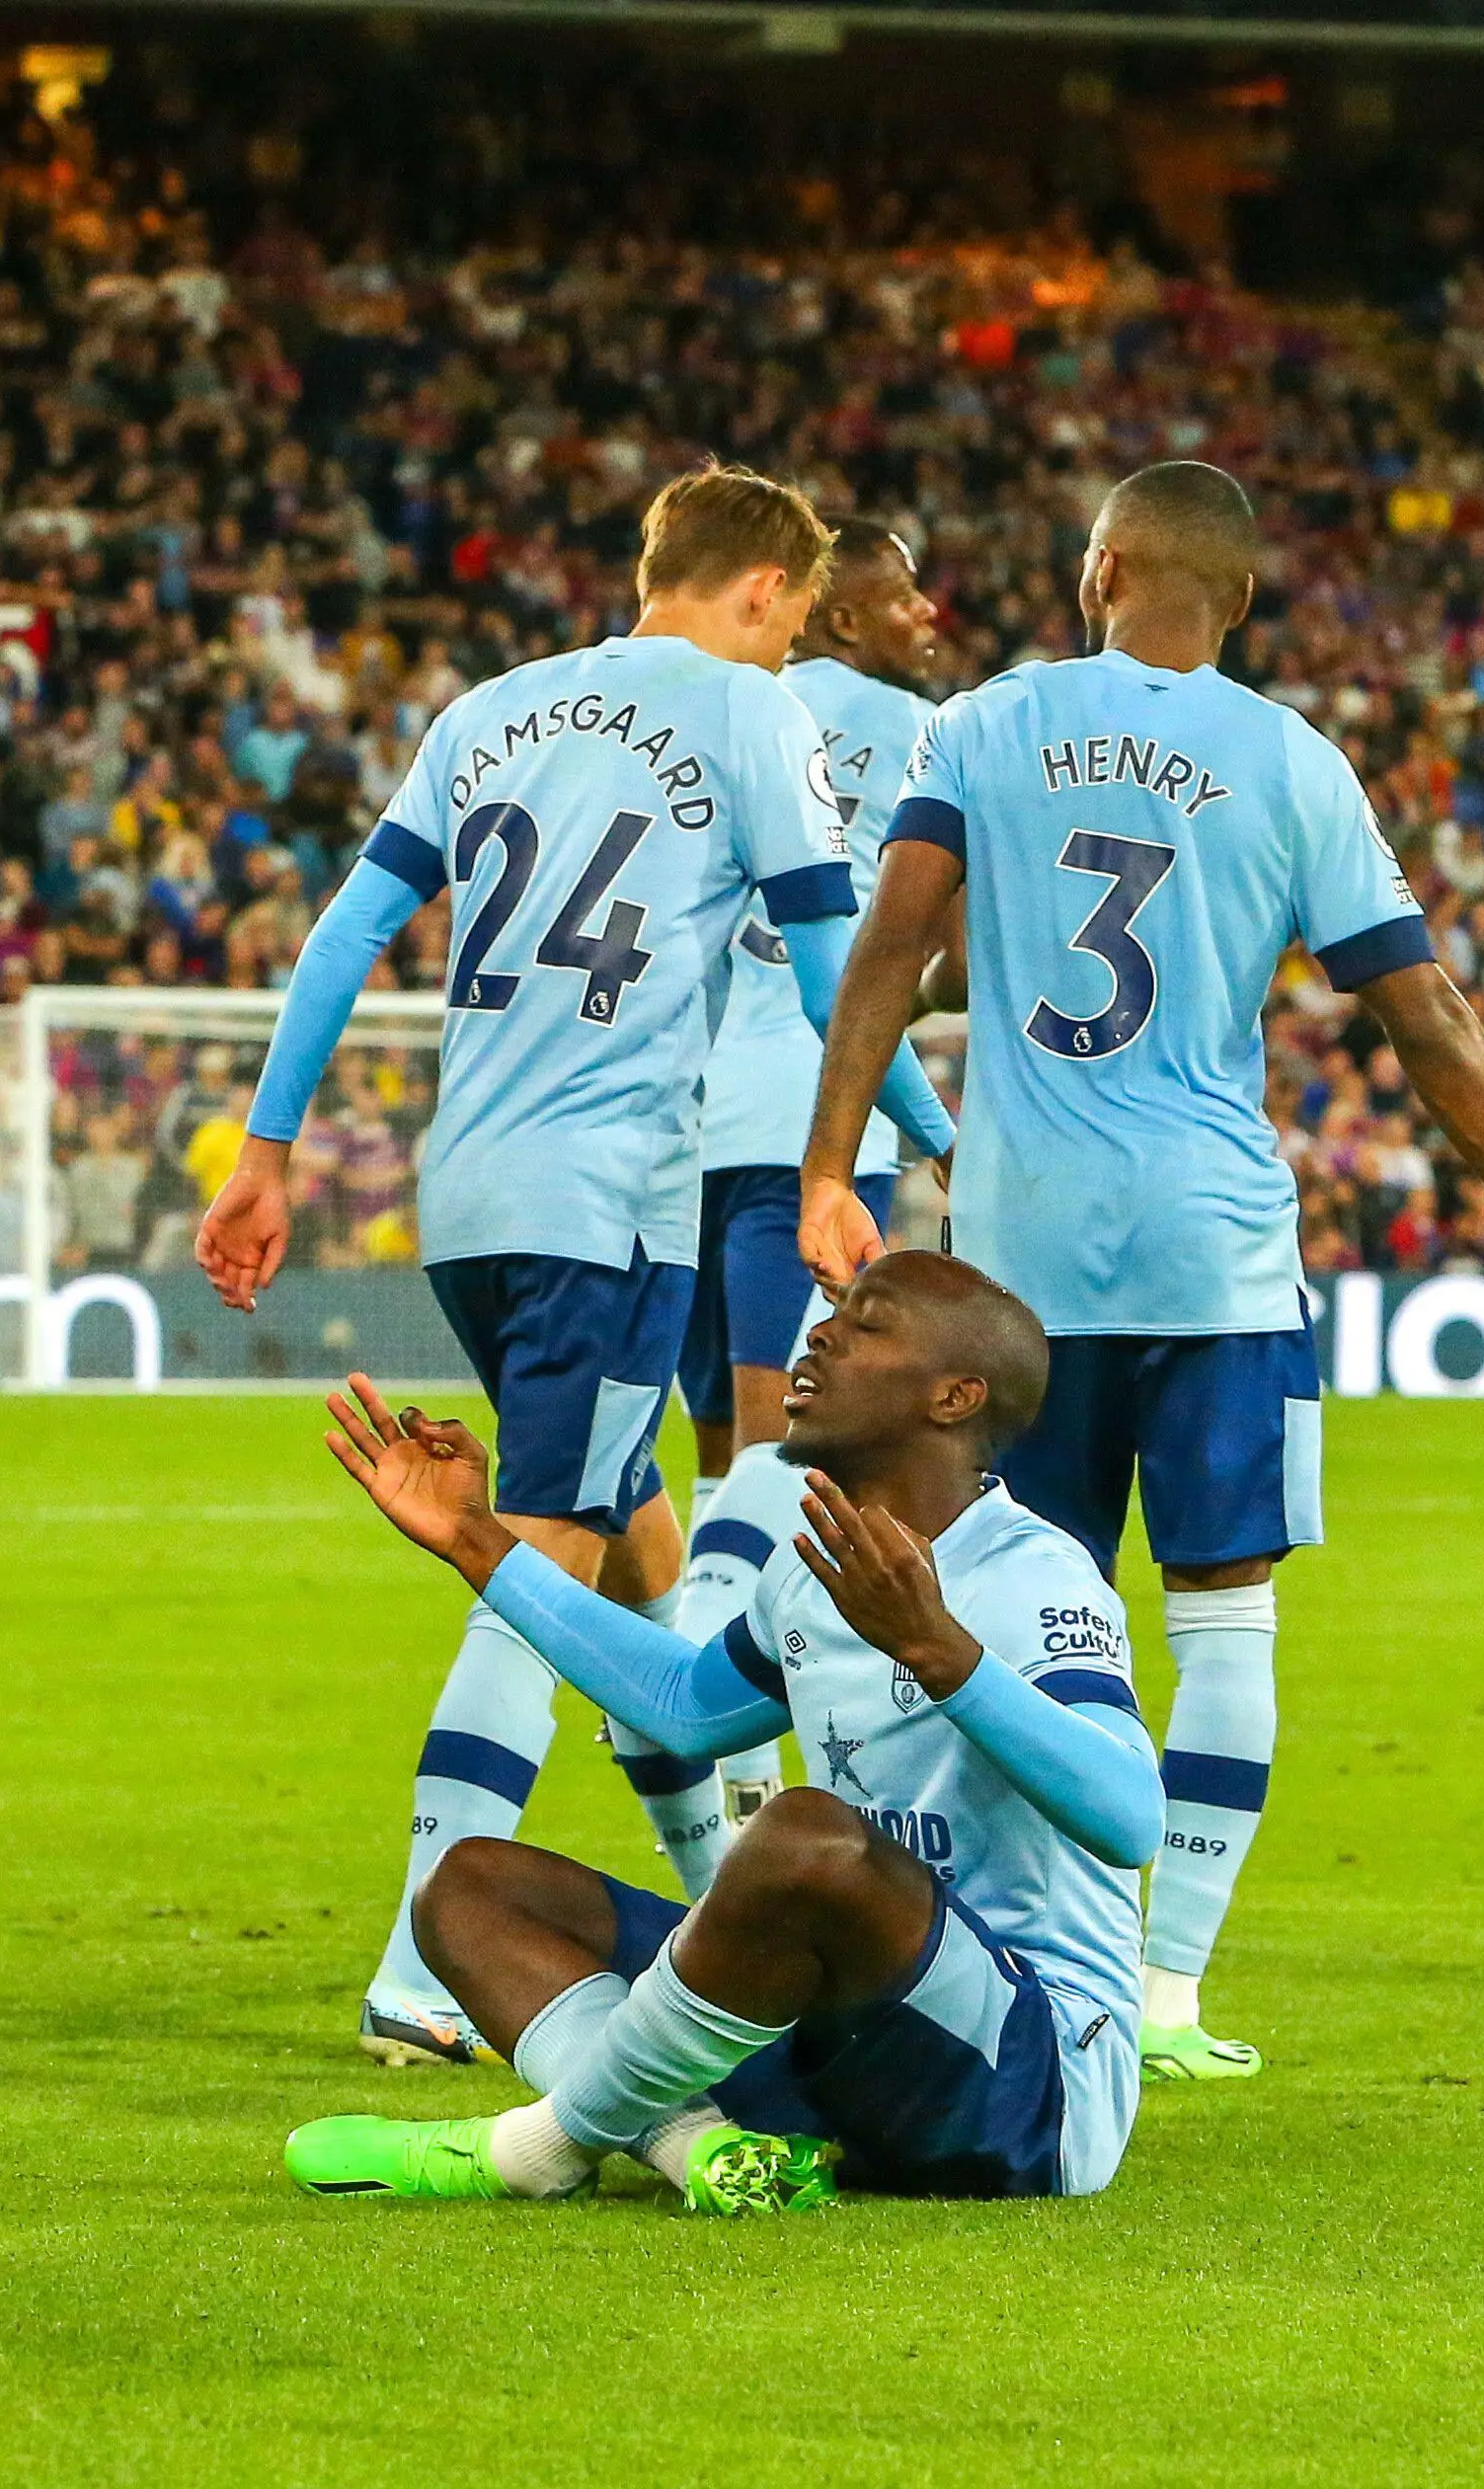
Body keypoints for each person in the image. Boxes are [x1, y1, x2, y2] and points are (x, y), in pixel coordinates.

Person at [795, 460, 1484, 2082]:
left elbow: (888, 948)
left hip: (1020, 1269)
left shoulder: (989, 725)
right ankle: (1166, 1994)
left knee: (1022, 1614)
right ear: (1236, 599)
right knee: (1223, 1624)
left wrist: (830, 1163)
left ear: (1098, 574)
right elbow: (1420, 1012)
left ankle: (1015, 1957)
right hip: (1218, 1256)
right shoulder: (1296, 765)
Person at [196, 466, 954, 2067]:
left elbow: (345, 933)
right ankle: (422, 1952)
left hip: (467, 1197)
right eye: (791, 618)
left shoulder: (491, 708)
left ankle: (715, 1912)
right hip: (609, 1203)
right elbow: (841, 978)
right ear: (763, 594)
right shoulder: (758, 723)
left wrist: (265, 1150)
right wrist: (937, 1138)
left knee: (634, 1550)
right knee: (520, 1556)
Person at [280, 1251, 1159, 2214]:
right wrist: (478, 1542)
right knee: (471, 1891)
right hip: (851, 2046)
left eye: (868, 1324)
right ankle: (699, 2147)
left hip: (1028, 2095)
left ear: (953, 1396)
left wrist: (943, 1653)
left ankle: (540, 2145)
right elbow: (687, 1707)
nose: (820, 1334)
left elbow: (1127, 1818)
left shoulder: (1032, 1574)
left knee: (801, 1836)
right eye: (832, 1313)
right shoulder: (810, 1569)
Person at [670, 516, 952, 1852]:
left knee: (720, 1459)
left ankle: (737, 1800)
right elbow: (912, 951)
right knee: (792, 1465)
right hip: (821, 1133)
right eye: (902, 596)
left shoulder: (734, 706)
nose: (926, 614)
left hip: (685, 1125)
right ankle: (727, 1764)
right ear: (841, 615)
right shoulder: (920, 731)